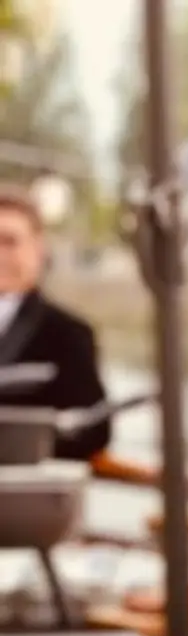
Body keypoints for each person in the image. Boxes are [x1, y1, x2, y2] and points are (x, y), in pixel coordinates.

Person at [0, 184, 111, 461]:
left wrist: (23, 444)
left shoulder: (68, 334)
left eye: (10, 242)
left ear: (39, 249)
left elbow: (94, 429)